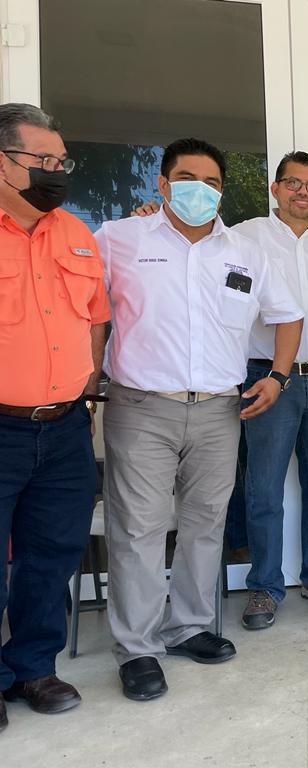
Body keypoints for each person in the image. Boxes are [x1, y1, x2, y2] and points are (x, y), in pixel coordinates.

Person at [98, 138, 303, 702]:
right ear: (163, 185)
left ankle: (189, 626)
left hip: (219, 408)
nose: (201, 190)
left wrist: (278, 376)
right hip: (142, 407)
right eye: (188, 179)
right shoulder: (119, 239)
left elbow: (288, 316)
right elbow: (85, 309)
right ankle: (137, 648)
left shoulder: (244, 252)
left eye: (212, 182)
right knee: (139, 529)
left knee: (205, 523)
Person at [0, 103, 110, 728]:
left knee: (52, 554)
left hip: (65, 426)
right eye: (40, 159)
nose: (55, 171)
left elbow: (96, 318)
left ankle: (33, 667)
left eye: (61, 161)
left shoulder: (74, 233)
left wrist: (83, 390)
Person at [231, 153, 308, 629]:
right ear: (275, 189)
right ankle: (264, 585)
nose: (303, 192)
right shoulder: (244, 237)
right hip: (267, 377)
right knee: (264, 486)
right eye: (293, 183)